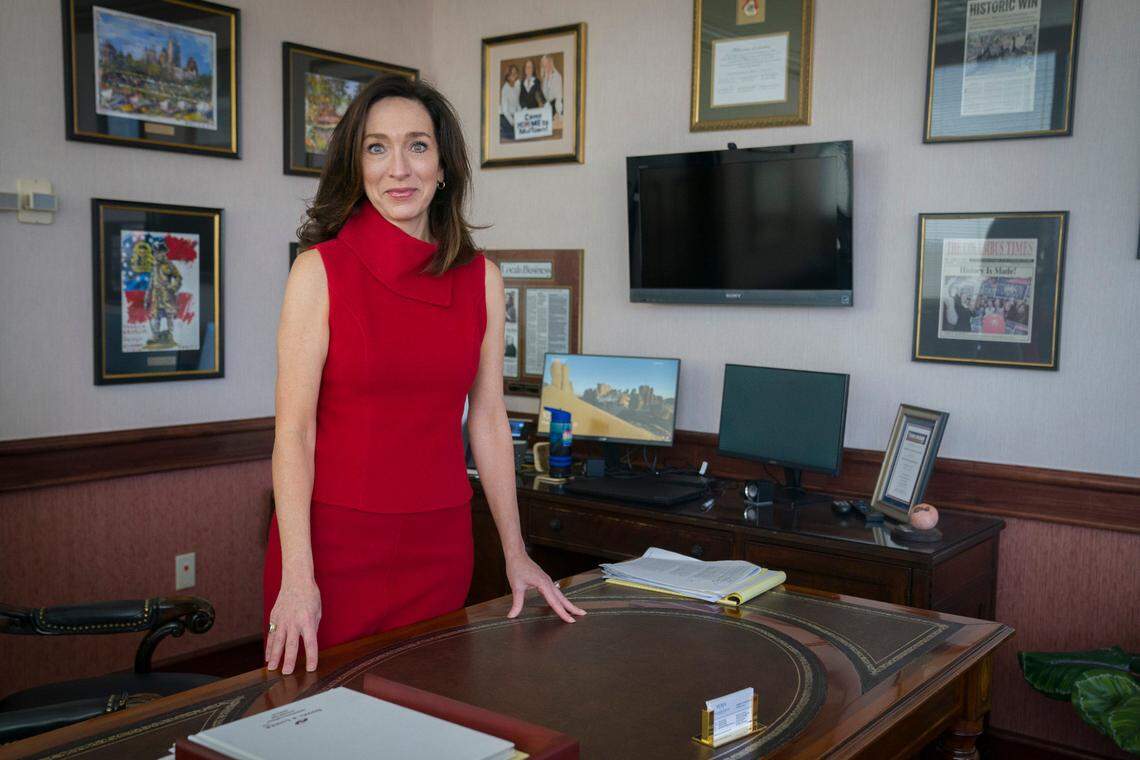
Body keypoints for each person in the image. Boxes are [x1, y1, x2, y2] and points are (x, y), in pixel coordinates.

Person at [264, 76, 585, 676]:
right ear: (356, 166)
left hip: (440, 548)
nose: (398, 169)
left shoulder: (481, 279)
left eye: (417, 145)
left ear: (443, 167)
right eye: (377, 148)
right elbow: (294, 433)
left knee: (434, 716)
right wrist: (297, 576)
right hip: (333, 553)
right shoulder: (319, 272)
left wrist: (516, 553)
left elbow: (488, 420)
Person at [499, 64, 520, 141]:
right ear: (508, 76)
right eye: (512, 74)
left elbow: (517, 104)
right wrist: (513, 122)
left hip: (513, 115)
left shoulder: (517, 86)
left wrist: (522, 115)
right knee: (513, 137)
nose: (514, 75)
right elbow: (505, 110)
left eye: (515, 73)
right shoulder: (505, 89)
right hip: (504, 117)